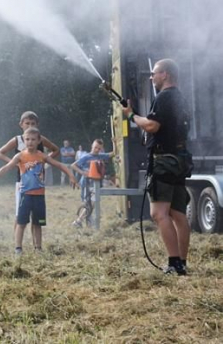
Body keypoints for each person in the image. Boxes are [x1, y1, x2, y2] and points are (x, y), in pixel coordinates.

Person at [123, 58, 192, 275]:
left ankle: (173, 263)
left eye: (155, 73)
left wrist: (132, 116)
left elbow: (152, 125)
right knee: (178, 214)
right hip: (179, 160)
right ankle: (182, 262)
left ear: (166, 75)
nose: (151, 77)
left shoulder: (163, 97)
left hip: (163, 161)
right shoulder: (180, 97)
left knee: (158, 213)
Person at [0, 127, 77, 253]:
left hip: (39, 196)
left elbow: (59, 165)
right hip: (25, 195)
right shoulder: (20, 156)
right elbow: (6, 168)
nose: (30, 142)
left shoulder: (42, 156)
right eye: (27, 139)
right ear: (24, 140)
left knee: (38, 223)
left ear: (39, 141)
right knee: (21, 222)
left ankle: (38, 248)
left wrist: (71, 175)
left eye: (33, 139)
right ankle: (18, 248)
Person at [0, 111, 59, 248]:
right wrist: (14, 163)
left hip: (37, 183)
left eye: (33, 123)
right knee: (20, 214)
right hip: (22, 183)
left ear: (37, 125)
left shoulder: (40, 139)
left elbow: (55, 150)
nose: (29, 125)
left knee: (36, 217)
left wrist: (46, 162)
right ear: (21, 125)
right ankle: (17, 245)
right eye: (27, 123)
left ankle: (37, 246)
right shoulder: (17, 140)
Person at [70, 139, 113, 228]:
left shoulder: (101, 156)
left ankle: (83, 222)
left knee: (92, 203)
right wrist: (82, 172)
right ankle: (79, 222)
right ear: (92, 146)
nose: (97, 150)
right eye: (95, 147)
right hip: (86, 183)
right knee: (88, 203)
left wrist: (115, 142)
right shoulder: (86, 157)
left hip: (96, 184)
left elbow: (112, 154)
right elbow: (73, 165)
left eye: (99, 148)